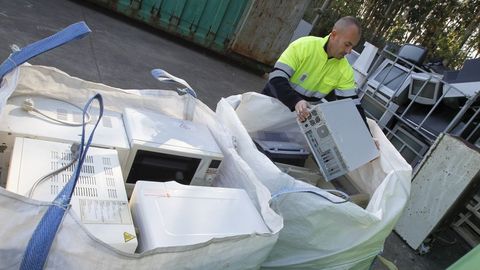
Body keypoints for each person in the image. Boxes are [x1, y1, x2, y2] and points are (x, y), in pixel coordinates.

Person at [262, 16, 367, 124]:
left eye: (352, 47)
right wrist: (296, 101)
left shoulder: (345, 70)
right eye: (347, 44)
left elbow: (353, 106)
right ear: (334, 35)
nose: (349, 51)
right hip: (268, 108)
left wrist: (368, 136)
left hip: (296, 123)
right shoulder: (304, 46)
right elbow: (276, 78)